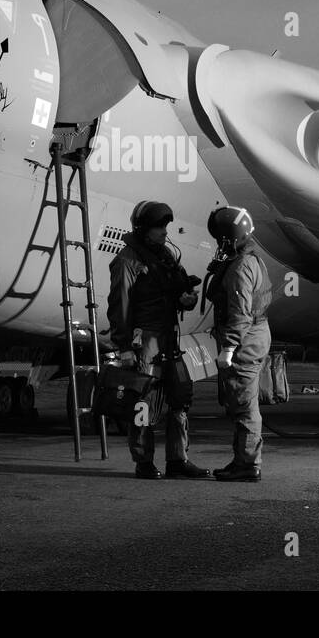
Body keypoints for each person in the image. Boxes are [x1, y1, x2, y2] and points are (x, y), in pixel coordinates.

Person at [107, 200, 208, 480]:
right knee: (143, 399)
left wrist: (187, 300)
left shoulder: (166, 256)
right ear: (143, 230)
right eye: (158, 227)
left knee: (179, 398)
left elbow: (178, 291)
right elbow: (120, 307)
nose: (165, 232)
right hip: (145, 341)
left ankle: (178, 460)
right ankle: (144, 462)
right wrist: (124, 347)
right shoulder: (128, 261)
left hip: (168, 337)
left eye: (165, 226)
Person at [205, 207, 273, 482]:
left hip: (245, 341)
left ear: (228, 238)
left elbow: (240, 313)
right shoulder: (249, 257)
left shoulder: (241, 267)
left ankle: (248, 465)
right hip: (256, 335)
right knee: (244, 403)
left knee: (245, 406)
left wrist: (229, 348)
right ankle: (243, 460)